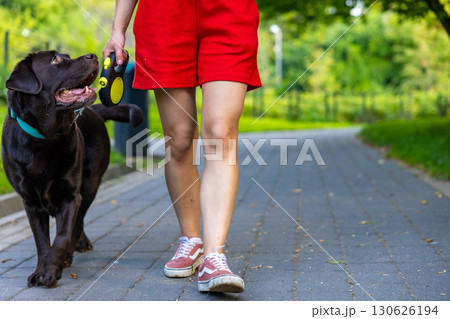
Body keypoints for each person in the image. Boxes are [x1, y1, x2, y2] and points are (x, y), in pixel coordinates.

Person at [103, 0, 261, 293]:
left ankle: (215, 256)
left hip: (230, 14)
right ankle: (192, 240)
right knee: (180, 139)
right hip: (163, 16)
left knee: (220, 132)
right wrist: (117, 29)